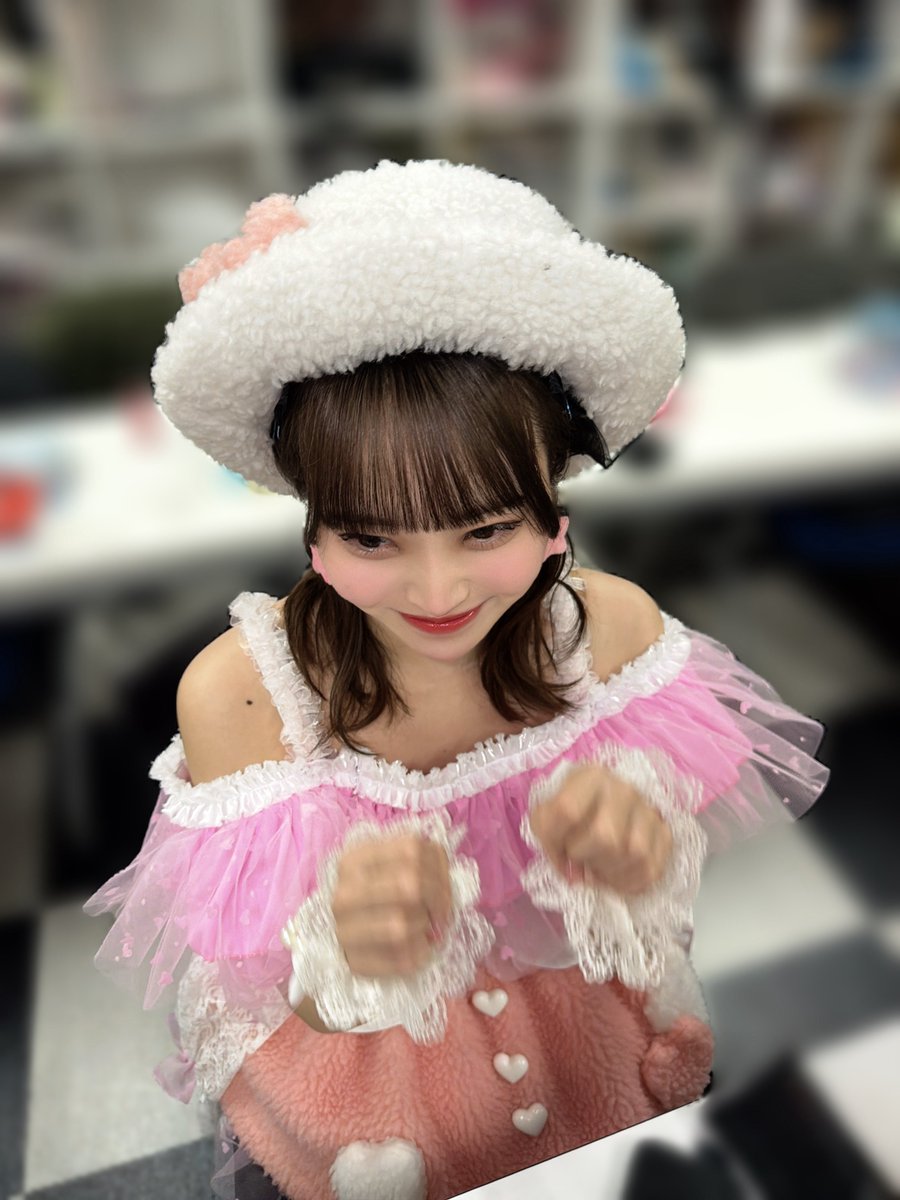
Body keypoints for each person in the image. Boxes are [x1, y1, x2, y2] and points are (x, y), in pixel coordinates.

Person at [86, 160, 830, 1200]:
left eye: (486, 530)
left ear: (554, 510)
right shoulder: (243, 698)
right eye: (370, 538)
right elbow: (243, 998)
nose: (436, 593)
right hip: (372, 1112)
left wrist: (641, 855)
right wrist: (341, 949)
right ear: (310, 526)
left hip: (590, 1055)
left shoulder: (609, 635)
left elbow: (658, 907)